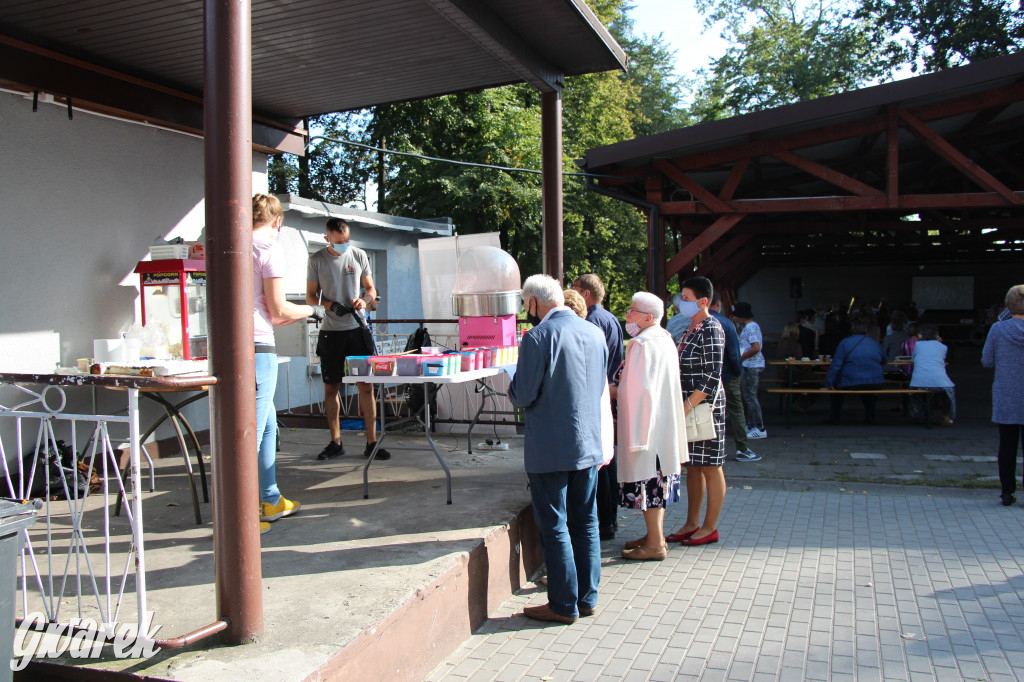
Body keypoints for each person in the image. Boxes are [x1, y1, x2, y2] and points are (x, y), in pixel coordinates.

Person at [509, 275, 608, 623]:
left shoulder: (537, 337)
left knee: (555, 524)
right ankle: (587, 598)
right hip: (588, 443)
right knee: (586, 522)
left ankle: (563, 604)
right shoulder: (594, 332)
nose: (526, 311)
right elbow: (597, 386)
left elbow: (522, 395)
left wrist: (512, 384)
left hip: (550, 445)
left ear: (534, 302)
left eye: (525, 305)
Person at [252, 194, 320, 533]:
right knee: (249, 429)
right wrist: (312, 310)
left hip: (231, 344)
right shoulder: (267, 248)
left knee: (265, 426)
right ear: (277, 222)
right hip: (256, 347)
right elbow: (278, 311)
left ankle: (270, 498)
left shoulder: (233, 247)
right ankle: (244, 515)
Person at [306, 217, 390, 461]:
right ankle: (335, 442)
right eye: (339, 241)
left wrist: (364, 300)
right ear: (327, 238)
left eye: (347, 240)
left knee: (366, 386)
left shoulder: (359, 255)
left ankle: (372, 443)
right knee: (331, 387)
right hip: (331, 331)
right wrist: (331, 305)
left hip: (357, 330)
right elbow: (311, 297)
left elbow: (372, 290)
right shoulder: (317, 260)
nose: (344, 244)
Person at [615, 293, 688, 561]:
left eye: (632, 311)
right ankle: (652, 535)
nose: (627, 316)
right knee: (658, 483)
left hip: (646, 427)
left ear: (648, 317)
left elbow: (637, 390)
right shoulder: (664, 338)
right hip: (661, 425)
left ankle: (655, 543)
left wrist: (615, 391)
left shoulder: (643, 344)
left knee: (651, 485)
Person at [668, 277, 727, 547]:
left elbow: (712, 375)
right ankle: (692, 523)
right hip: (689, 405)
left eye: (687, 298)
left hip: (704, 407)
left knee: (711, 467)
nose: (682, 302)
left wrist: (686, 406)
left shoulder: (712, 328)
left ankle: (710, 526)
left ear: (704, 301)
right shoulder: (691, 328)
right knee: (693, 467)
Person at [572, 273, 623, 541]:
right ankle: (610, 518)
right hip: (608, 393)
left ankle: (604, 521)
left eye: (574, 288)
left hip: (598, 395)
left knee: (600, 464)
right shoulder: (611, 318)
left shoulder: (591, 322)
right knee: (607, 458)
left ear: (586, 294)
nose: (571, 291)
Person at [981, 284, 1024, 507]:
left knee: (1007, 446)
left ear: (1008, 305)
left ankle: (1007, 492)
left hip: (1007, 394)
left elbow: (987, 361)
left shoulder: (998, 329)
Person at [709, 291, 759, 462]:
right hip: (728, 374)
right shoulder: (727, 324)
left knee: (708, 412)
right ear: (718, 304)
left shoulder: (696, 324)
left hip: (705, 377)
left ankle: (709, 449)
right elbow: (733, 353)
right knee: (736, 410)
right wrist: (737, 371)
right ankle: (742, 448)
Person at [824, 318, 887, 424]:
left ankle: (834, 417)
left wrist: (829, 383)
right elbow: (884, 359)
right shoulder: (874, 343)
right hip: (874, 380)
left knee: (836, 393)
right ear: (866, 330)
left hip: (850, 380)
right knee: (869, 394)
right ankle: (870, 417)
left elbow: (836, 365)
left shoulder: (845, 342)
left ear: (852, 330)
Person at [909, 325, 956, 425]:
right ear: (937, 335)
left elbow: (913, 360)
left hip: (918, 382)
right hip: (939, 381)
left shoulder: (918, 345)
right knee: (949, 391)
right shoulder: (943, 347)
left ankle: (926, 415)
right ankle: (945, 416)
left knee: (925, 393)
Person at [733, 302, 766, 439]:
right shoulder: (752, 326)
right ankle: (752, 425)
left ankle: (759, 427)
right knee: (748, 396)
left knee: (751, 397)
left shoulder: (750, 327)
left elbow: (755, 347)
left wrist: (741, 358)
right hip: (751, 365)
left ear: (741, 316)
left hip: (751, 365)